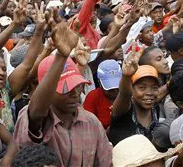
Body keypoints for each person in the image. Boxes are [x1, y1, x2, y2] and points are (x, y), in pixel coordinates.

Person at [14, 20, 112, 166]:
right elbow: (36, 114)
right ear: (47, 89)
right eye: (65, 88)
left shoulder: (91, 123)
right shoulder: (35, 118)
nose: (75, 93)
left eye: (77, 86)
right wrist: (61, 56)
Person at [83, 59, 121, 130]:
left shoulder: (128, 94)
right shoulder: (93, 97)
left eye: (117, 87)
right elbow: (87, 127)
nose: (115, 91)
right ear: (99, 83)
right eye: (110, 89)